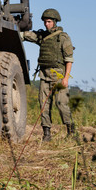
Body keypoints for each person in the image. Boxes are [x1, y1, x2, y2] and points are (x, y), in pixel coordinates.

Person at [20, 8, 75, 141]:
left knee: (61, 104)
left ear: (55, 22)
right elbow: (25, 35)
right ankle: (47, 134)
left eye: (49, 21)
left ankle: (71, 131)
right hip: (44, 76)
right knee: (43, 105)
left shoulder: (63, 38)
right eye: (45, 22)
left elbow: (69, 60)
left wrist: (66, 78)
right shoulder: (42, 37)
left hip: (59, 75)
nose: (46, 24)